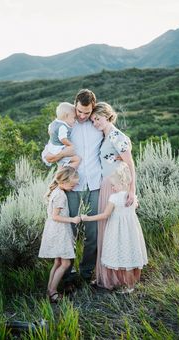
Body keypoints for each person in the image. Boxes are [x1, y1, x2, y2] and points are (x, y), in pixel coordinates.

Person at [45, 89, 103, 284]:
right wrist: (62, 155)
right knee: (68, 233)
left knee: (92, 233)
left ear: (92, 108)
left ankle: (86, 275)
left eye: (87, 112)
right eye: (80, 111)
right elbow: (46, 156)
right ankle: (68, 278)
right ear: (75, 105)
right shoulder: (66, 125)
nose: (83, 116)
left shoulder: (98, 124)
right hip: (71, 186)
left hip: (95, 183)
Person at [81, 162, 148, 293]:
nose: (111, 187)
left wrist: (88, 218)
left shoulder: (114, 198)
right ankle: (133, 284)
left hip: (118, 231)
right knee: (131, 255)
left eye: (113, 185)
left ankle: (129, 287)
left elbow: (105, 215)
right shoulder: (132, 197)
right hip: (131, 230)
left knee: (123, 256)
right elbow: (135, 207)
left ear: (122, 183)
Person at [90, 102, 136, 289]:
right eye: (93, 120)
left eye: (98, 119)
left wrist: (132, 190)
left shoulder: (117, 136)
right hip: (106, 186)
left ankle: (120, 278)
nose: (95, 123)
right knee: (106, 230)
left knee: (117, 232)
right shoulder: (104, 136)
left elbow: (130, 164)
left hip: (117, 188)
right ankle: (106, 276)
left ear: (107, 116)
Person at [38, 166, 81, 302]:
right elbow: (55, 216)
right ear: (63, 182)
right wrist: (73, 219)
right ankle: (53, 292)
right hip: (59, 231)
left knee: (57, 262)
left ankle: (49, 290)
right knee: (65, 263)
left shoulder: (56, 191)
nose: (74, 186)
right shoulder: (61, 195)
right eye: (72, 184)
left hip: (54, 230)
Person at [42, 102, 81, 169]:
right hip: (59, 149)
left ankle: (62, 168)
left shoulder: (53, 123)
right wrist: (70, 144)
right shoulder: (63, 127)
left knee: (61, 162)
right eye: (74, 118)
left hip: (52, 148)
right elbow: (63, 139)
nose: (75, 120)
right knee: (77, 160)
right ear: (66, 116)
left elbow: (49, 132)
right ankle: (65, 170)